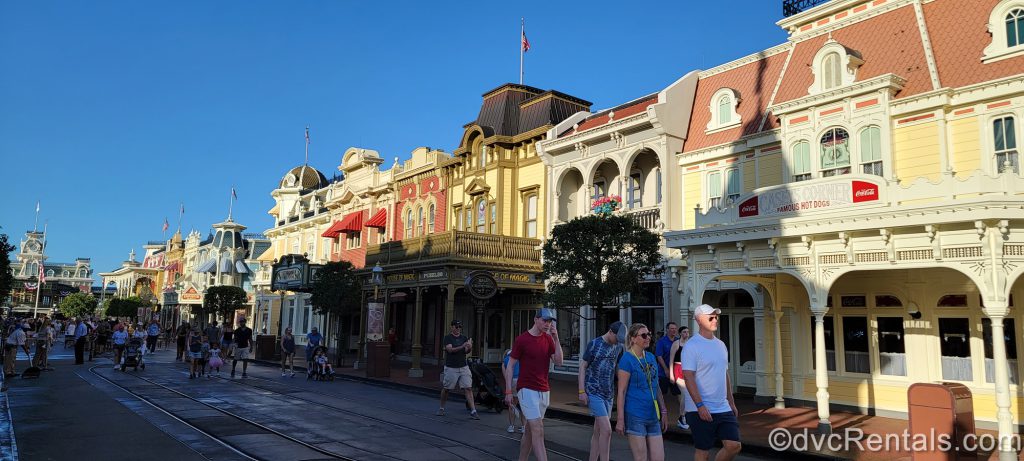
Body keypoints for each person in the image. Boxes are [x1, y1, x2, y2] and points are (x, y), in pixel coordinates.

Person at [682, 304, 741, 461]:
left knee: (734, 445)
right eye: (711, 317)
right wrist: (700, 406)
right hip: (699, 408)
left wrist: (731, 401)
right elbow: (688, 377)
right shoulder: (691, 346)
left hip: (722, 407)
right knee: (703, 451)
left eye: (716, 316)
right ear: (699, 320)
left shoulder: (721, 345)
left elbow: (725, 374)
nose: (715, 320)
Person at [504, 308, 564, 461]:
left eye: (550, 321)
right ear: (535, 320)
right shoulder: (522, 339)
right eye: (544, 320)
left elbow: (559, 361)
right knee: (538, 429)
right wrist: (508, 391)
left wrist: (556, 339)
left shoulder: (549, 339)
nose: (547, 324)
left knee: (530, 431)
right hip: (526, 389)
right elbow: (510, 366)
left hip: (544, 389)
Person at [616, 323, 668, 461]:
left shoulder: (650, 357)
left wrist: (663, 411)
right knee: (641, 458)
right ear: (633, 339)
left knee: (659, 458)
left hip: (652, 414)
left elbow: (656, 386)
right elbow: (621, 391)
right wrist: (620, 419)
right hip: (635, 415)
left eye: (649, 334)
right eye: (643, 335)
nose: (648, 338)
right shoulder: (627, 359)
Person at [578, 321, 625, 461]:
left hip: (608, 393)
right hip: (594, 391)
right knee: (607, 430)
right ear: (610, 331)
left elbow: (616, 367)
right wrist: (581, 391)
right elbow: (583, 366)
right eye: (617, 338)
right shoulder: (594, 344)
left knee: (598, 431)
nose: (618, 341)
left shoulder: (618, 347)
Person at [436, 320, 479, 419]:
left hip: (463, 366)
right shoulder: (448, 338)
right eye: (456, 327)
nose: (458, 329)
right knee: (447, 389)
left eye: (459, 327)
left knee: (468, 388)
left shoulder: (464, 337)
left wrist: (469, 347)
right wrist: (462, 346)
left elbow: (466, 351)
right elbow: (450, 350)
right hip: (451, 367)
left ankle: (473, 411)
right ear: (452, 327)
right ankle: (441, 408)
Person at [668, 325, 692, 430]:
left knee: (688, 394)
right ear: (680, 333)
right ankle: (682, 417)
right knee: (685, 393)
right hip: (678, 369)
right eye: (684, 332)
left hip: (688, 369)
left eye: (687, 332)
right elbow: (671, 360)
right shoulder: (676, 344)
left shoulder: (690, 344)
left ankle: (684, 416)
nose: (686, 334)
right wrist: (671, 375)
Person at [655, 322, 680, 403]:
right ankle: (662, 412)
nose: (674, 330)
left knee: (679, 393)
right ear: (667, 330)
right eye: (672, 328)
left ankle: (682, 414)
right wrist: (666, 369)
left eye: (675, 328)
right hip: (663, 373)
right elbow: (659, 356)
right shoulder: (661, 341)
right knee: (662, 393)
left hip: (676, 372)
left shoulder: (678, 341)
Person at [502, 349, 524, 433]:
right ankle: (524, 427)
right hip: (521, 381)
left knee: (512, 404)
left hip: (512, 382)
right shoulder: (521, 357)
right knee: (523, 405)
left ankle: (511, 426)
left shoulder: (505, 361)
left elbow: (506, 377)